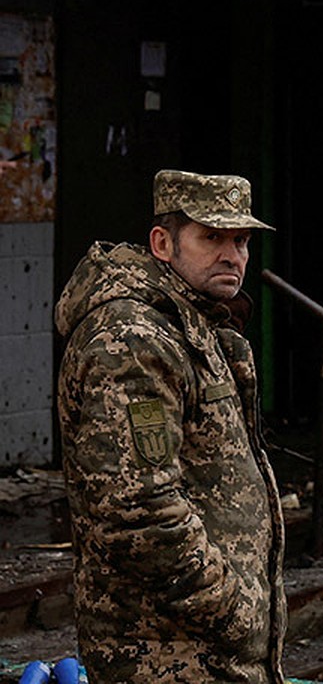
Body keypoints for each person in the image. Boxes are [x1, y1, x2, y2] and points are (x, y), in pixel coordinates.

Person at [55, 170, 286, 684]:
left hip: (206, 650)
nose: (233, 255)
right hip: (165, 654)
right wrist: (232, 608)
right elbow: (138, 509)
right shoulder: (133, 339)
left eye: (241, 240)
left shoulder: (192, 324)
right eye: (212, 237)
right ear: (163, 243)